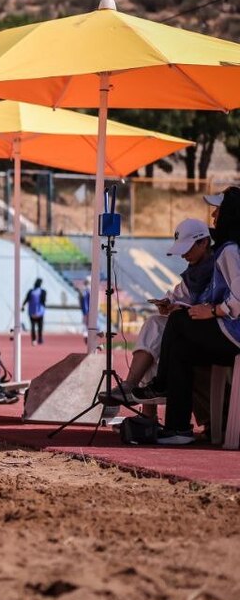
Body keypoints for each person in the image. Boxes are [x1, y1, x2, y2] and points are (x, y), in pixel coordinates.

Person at [149, 187, 240, 445]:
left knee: (179, 321)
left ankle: (162, 384)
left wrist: (212, 311)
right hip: (228, 332)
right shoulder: (229, 248)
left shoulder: (230, 251)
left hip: (233, 334)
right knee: (180, 349)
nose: (213, 216)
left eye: (218, 210)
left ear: (230, 214)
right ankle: (178, 428)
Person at [104, 217, 213, 404]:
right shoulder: (194, 271)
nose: (183, 255)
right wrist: (169, 302)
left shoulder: (220, 264)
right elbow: (180, 295)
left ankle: (141, 400)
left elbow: (214, 303)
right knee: (154, 326)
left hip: (214, 329)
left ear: (204, 242)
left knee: (164, 339)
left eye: (187, 249)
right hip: (192, 326)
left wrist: (181, 308)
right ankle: (134, 391)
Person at [22, 278, 47, 345]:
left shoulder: (31, 291)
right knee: (40, 326)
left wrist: (23, 306)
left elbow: (26, 299)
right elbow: (44, 301)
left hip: (31, 312)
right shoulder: (43, 291)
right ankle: (40, 339)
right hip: (40, 312)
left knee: (32, 326)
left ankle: (33, 340)